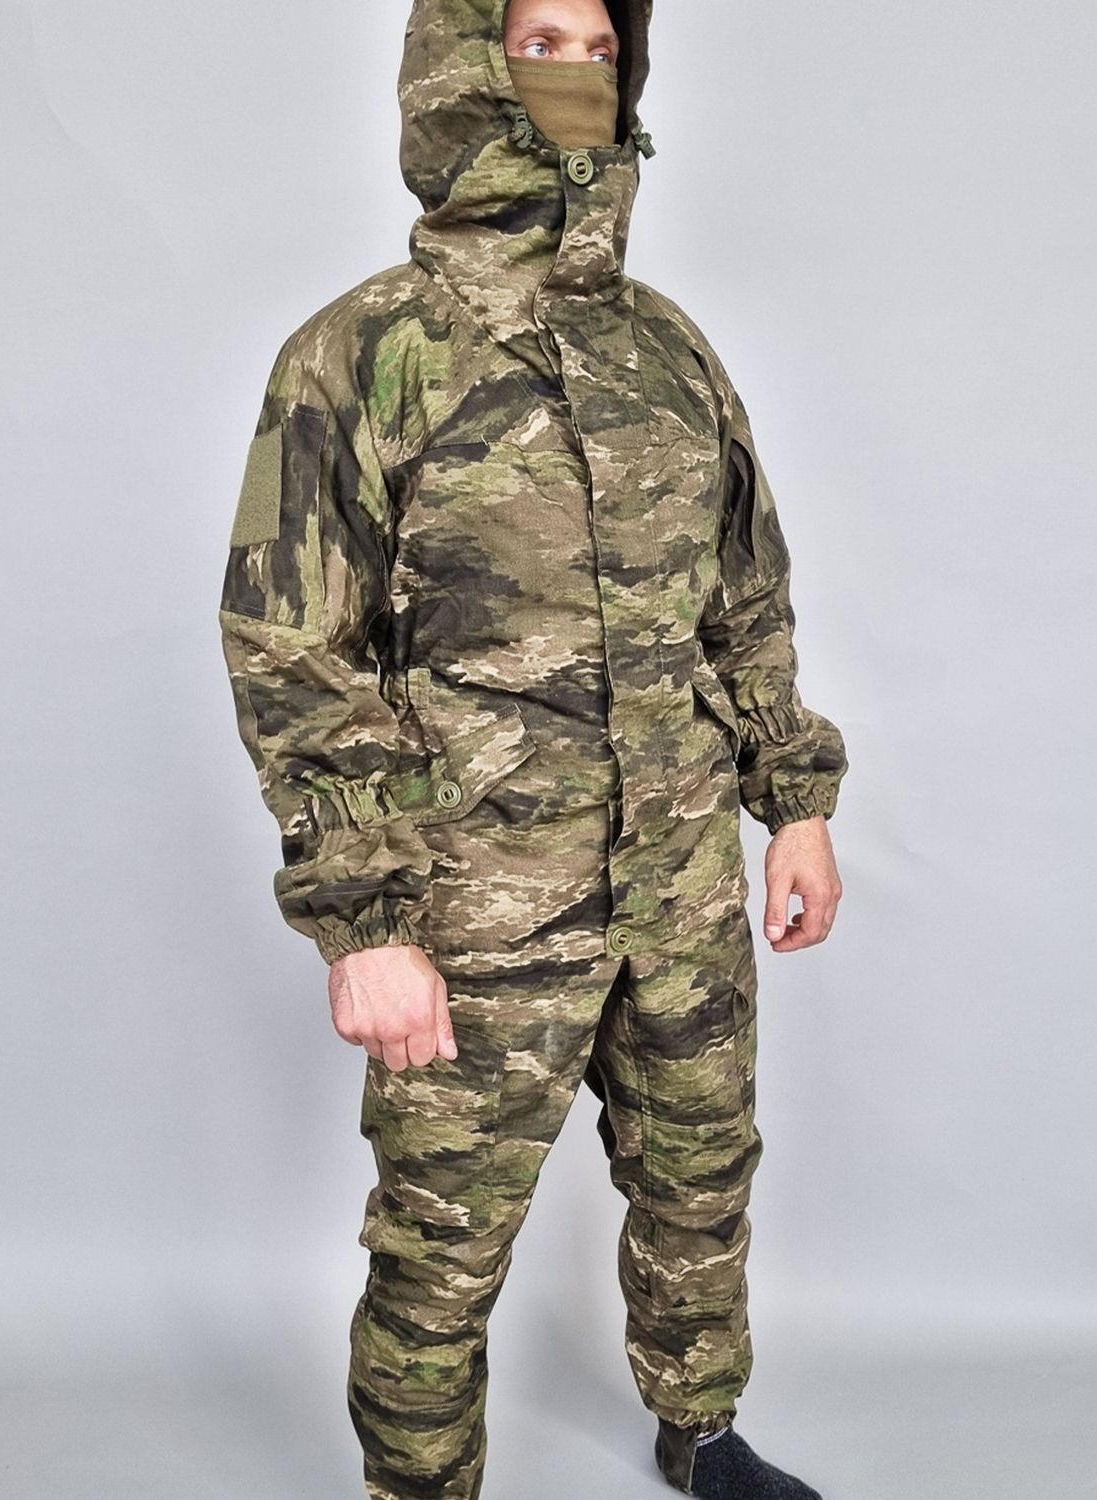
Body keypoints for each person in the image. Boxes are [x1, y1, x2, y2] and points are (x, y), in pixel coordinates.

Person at [218, 1, 848, 1496]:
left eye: (599, 47)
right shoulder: (365, 350)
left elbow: (743, 594)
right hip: (477, 904)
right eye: (539, 40)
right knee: (443, 1240)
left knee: (701, 1179)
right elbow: (292, 649)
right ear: (463, 62)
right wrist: (366, 922)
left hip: (681, 882)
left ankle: (702, 1433)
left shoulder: (665, 346)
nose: (576, 74)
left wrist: (796, 801)